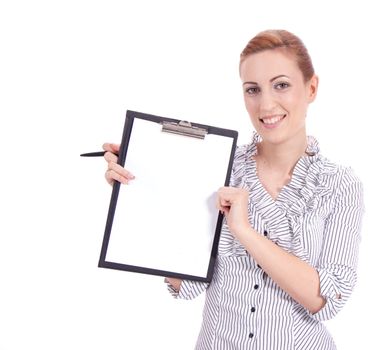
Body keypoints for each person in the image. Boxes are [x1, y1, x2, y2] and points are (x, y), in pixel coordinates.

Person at [102, 29, 364, 350]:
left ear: (311, 88)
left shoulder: (338, 185)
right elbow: (185, 285)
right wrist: (140, 191)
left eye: (281, 85)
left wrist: (244, 231)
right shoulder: (219, 166)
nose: (266, 104)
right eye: (252, 89)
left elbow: (327, 298)